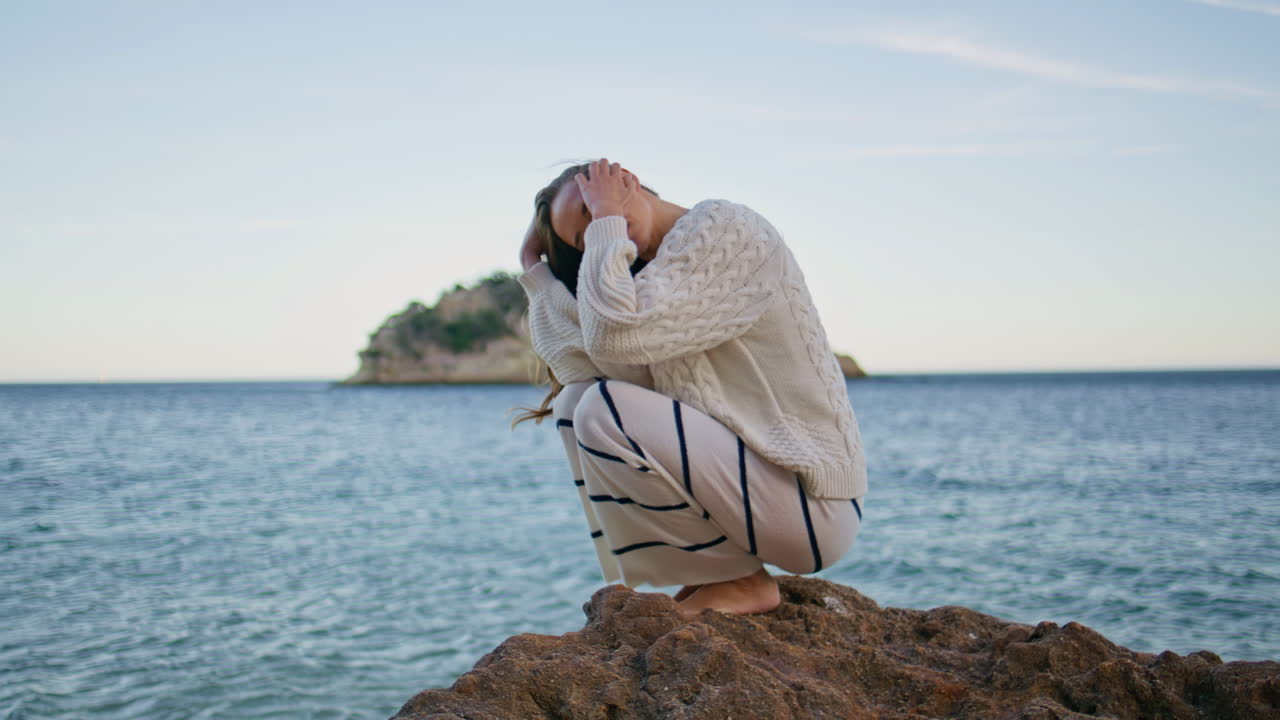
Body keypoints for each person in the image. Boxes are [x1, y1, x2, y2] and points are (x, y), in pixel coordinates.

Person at [512, 158, 866, 616]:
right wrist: (534, 271)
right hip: (758, 492)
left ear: (624, 179)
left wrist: (604, 224)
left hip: (814, 499)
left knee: (602, 407)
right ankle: (714, 573)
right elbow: (581, 365)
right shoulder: (636, 281)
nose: (600, 224)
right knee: (576, 402)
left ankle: (739, 582)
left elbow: (616, 336)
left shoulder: (727, 230)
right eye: (585, 237)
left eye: (591, 207)